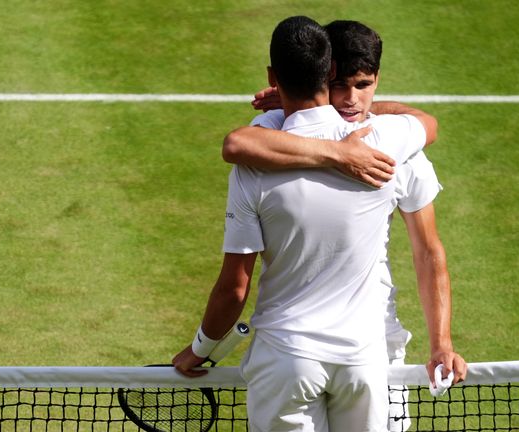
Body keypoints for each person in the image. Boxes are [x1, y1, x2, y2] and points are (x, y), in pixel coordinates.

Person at [172, 16, 436, 432]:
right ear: (331, 72)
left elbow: (234, 287)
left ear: (273, 78)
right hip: (363, 360)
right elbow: (426, 122)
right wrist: (339, 152)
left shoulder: (256, 157)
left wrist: (201, 350)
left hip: (286, 358)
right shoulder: (384, 143)